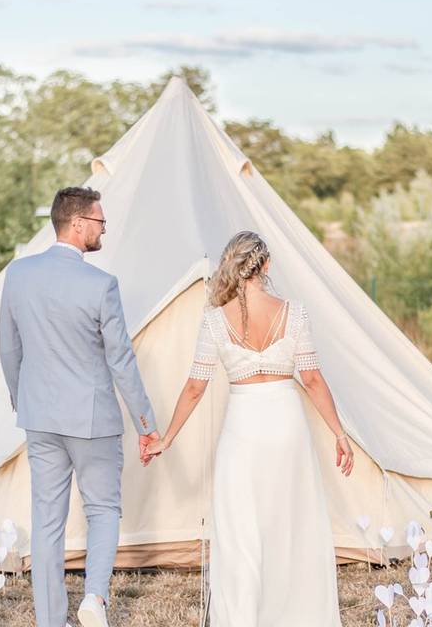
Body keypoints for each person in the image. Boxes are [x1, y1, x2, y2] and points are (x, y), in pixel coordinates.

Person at [145, 230, 353, 627]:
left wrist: (166, 438)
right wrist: (339, 434)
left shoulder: (213, 321)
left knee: (241, 530)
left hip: (243, 431)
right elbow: (312, 380)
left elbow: (194, 386)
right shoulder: (294, 313)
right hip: (287, 428)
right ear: (267, 266)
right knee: (291, 524)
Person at [0, 186, 159, 627]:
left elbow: (9, 351)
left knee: (46, 522)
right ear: (78, 224)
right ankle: (94, 600)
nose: (104, 228)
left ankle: (51, 621)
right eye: (100, 222)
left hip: (40, 419)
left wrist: (24, 400)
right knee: (103, 508)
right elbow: (121, 360)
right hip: (93, 421)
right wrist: (146, 424)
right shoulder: (101, 285)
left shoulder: (18, 275)